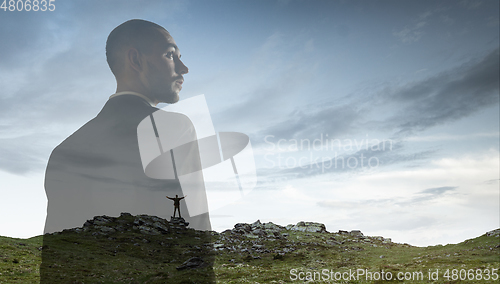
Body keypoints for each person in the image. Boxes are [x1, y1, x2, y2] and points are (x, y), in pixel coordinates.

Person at [41, 19, 215, 283]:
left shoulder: (63, 150)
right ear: (136, 59)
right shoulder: (172, 127)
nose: (184, 68)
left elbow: (54, 259)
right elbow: (196, 233)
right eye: (170, 55)